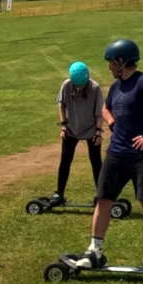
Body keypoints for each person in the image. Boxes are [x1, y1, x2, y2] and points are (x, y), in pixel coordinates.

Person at [75, 39, 143, 272]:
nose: (109, 67)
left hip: (142, 154)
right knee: (103, 199)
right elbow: (105, 108)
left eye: (110, 62)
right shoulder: (116, 87)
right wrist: (112, 123)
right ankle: (94, 251)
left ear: (121, 61)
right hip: (116, 153)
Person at [47, 61, 103, 207]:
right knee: (65, 160)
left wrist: (98, 132)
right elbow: (61, 105)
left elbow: (99, 112)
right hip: (71, 129)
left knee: (96, 161)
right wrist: (64, 126)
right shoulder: (67, 85)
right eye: (76, 85)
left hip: (91, 129)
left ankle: (102, 194)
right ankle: (59, 193)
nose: (79, 88)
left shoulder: (95, 88)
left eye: (81, 85)